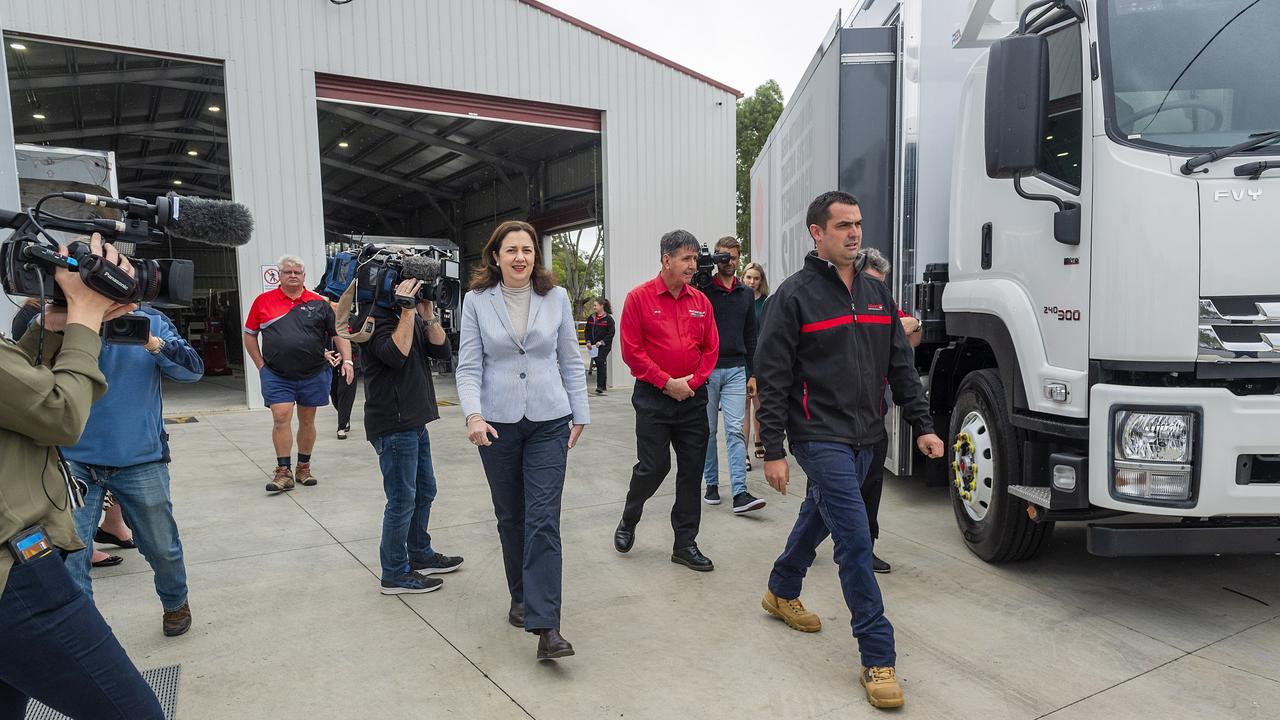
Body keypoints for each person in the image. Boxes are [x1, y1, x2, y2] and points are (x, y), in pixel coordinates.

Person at [755, 191, 944, 710]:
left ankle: (780, 587)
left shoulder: (877, 294)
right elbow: (771, 380)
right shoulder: (791, 298)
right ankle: (877, 656)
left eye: (858, 224)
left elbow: (899, 367)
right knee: (856, 539)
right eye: (842, 226)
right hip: (819, 434)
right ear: (817, 233)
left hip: (868, 435)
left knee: (820, 514)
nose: (854, 233)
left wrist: (922, 424)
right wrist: (773, 448)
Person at [0, 234, 165, 718]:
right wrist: (86, 318)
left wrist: (56, 327)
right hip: (15, 579)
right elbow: (57, 414)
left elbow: (18, 389)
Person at [457, 220, 589, 660]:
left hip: (550, 420)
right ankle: (521, 596)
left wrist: (580, 413)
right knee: (511, 517)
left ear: (536, 256)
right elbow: (469, 366)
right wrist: (473, 415)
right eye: (511, 250)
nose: (520, 257)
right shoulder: (476, 301)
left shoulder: (557, 298)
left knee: (543, 519)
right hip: (496, 424)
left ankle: (547, 626)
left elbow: (570, 358)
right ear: (495, 256)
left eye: (527, 250)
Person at [63, 306, 203, 637]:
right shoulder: (65, 316)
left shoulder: (152, 320)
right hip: (74, 458)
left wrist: (152, 343)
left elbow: (192, 371)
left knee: (161, 546)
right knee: (70, 553)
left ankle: (175, 604)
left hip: (140, 457)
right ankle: (85, 631)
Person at [613, 229, 719, 572]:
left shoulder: (701, 302)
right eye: (686, 259)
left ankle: (685, 543)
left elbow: (710, 349)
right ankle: (630, 515)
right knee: (654, 466)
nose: (692, 265)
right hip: (653, 398)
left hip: (692, 397)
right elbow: (632, 353)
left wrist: (693, 383)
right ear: (666, 260)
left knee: (691, 471)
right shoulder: (638, 298)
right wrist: (665, 383)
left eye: (694, 259)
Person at [9, 305, 136, 570]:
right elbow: (64, 418)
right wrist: (84, 324)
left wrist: (47, 328)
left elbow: (21, 370)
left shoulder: (42, 319)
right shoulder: (29, 315)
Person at [361, 273, 464, 595]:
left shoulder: (411, 317)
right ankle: (394, 573)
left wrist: (428, 315)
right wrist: (406, 311)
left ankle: (419, 554)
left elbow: (443, 352)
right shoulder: (374, 318)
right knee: (402, 499)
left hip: (415, 422)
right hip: (392, 424)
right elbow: (395, 355)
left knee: (425, 492)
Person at [243, 255, 353, 492]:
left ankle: (303, 467)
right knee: (281, 417)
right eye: (287, 272)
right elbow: (250, 333)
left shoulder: (319, 303)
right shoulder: (263, 302)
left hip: (312, 373)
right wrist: (260, 364)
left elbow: (338, 333)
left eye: (297, 272)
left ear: (304, 276)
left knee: (307, 420)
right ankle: (284, 472)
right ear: (279, 276)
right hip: (276, 373)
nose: (293, 275)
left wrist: (349, 361)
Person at [856, 247, 922, 573]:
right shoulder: (835, 305)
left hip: (873, 413)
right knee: (825, 494)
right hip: (832, 420)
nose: (876, 290)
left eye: (881, 284)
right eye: (872, 282)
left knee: (870, 485)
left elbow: (913, 335)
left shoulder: (881, 304)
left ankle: (865, 548)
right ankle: (806, 545)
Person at [701, 236, 764, 514]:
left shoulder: (745, 294)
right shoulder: (703, 290)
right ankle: (711, 484)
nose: (729, 261)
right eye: (723, 256)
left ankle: (740, 492)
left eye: (733, 257)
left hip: (737, 370)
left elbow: (751, 336)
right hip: (708, 369)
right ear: (715, 257)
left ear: (739, 259)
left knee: (735, 432)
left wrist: (753, 374)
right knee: (709, 431)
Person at [741, 262, 770, 471]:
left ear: (762, 280)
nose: (752, 282)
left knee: (760, 406)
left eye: (756, 278)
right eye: (749, 277)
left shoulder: (767, 303)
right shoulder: (738, 299)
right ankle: (743, 453)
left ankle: (759, 439)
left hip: (761, 361)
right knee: (743, 409)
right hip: (741, 360)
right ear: (743, 278)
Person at [584, 297, 615, 396]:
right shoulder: (591, 317)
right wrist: (588, 341)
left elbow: (611, 333)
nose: (594, 307)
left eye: (595, 305)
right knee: (599, 362)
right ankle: (602, 385)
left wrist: (601, 342)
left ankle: (600, 386)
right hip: (593, 346)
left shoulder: (609, 319)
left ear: (602, 306)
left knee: (600, 361)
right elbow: (587, 331)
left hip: (604, 346)